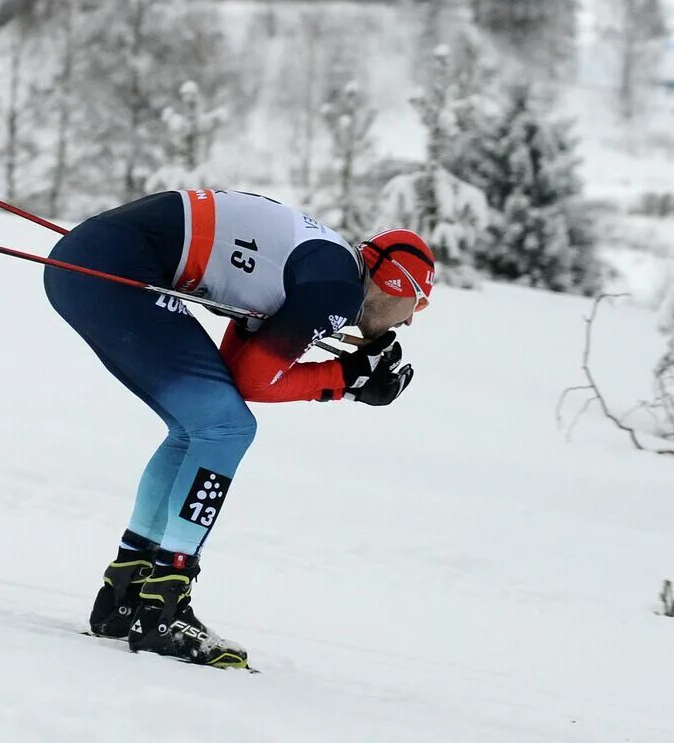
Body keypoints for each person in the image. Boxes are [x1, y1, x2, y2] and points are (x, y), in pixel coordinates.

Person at [43, 188, 433, 670]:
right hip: (113, 270)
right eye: (418, 302)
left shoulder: (327, 270)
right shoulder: (336, 290)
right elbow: (252, 381)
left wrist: (342, 381)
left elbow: (237, 369)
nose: (412, 320)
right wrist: (341, 380)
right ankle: (163, 608)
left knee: (201, 427)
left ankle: (127, 591)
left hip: (98, 262)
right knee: (226, 429)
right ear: (394, 285)